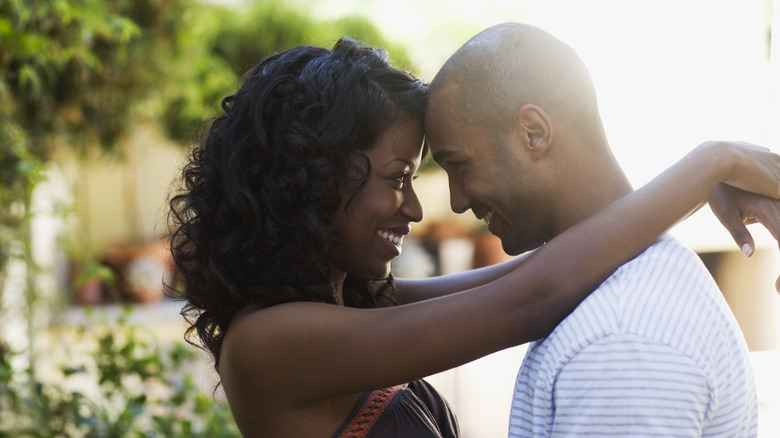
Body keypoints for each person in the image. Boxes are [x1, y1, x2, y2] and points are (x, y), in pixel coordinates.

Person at [168, 37, 780, 438]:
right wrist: (711, 163)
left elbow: (534, 273)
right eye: (398, 178)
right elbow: (533, 297)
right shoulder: (271, 343)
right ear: (312, 180)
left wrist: (688, 190)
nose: (418, 206)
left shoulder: (353, 302)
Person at [424, 23, 774, 437]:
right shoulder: (616, 298)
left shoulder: (620, 339)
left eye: (460, 167)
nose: (457, 201)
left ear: (533, 133)